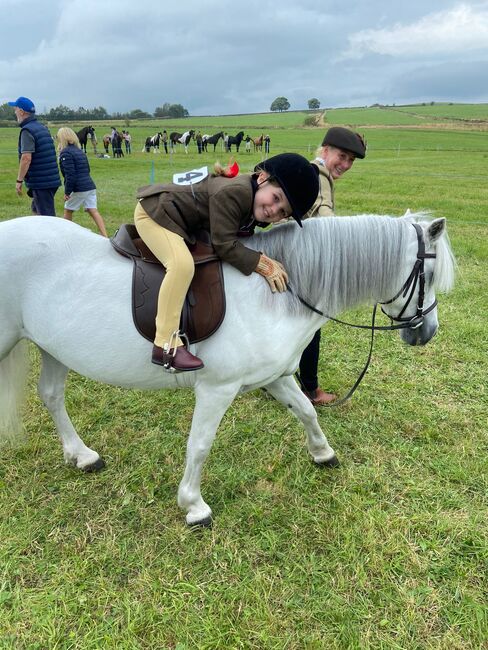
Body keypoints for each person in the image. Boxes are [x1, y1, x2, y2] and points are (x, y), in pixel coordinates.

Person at [135, 153, 319, 372]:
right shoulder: (237, 193)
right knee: (182, 265)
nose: (273, 211)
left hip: (181, 220)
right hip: (156, 215)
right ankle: (165, 344)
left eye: (283, 213)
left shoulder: (253, 197)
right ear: (262, 178)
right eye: (276, 198)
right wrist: (260, 262)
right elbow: (224, 244)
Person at [299, 126, 366, 405]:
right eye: (342, 156)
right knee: (310, 325)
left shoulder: (315, 172)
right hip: (300, 260)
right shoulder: (319, 175)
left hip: (299, 255)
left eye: (351, 160)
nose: (346, 164)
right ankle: (311, 390)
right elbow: (326, 219)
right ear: (325, 150)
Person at [9, 96, 61, 216]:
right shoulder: (41, 127)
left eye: (15, 109)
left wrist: (19, 180)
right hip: (49, 179)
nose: (14, 112)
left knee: (46, 218)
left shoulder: (27, 131)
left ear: (21, 112)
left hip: (42, 182)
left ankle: (51, 235)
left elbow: (26, 158)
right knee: (36, 211)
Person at [57, 127, 108, 237]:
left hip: (79, 188)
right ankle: (105, 236)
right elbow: (87, 169)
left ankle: (66, 235)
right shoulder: (80, 151)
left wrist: (67, 192)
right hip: (90, 186)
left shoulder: (65, 153)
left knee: (68, 210)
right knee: (93, 210)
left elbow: (70, 175)